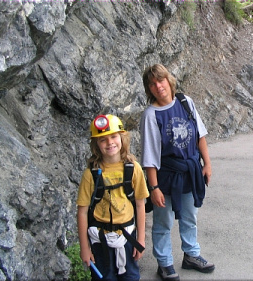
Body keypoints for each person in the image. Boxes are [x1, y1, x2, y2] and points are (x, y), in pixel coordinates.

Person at [139, 64, 215, 281]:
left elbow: (200, 135)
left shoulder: (185, 101)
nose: (158, 86)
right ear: (149, 89)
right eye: (152, 84)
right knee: (163, 221)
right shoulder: (151, 115)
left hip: (190, 171)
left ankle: (191, 255)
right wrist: (153, 188)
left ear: (168, 80)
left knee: (190, 216)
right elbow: (150, 156)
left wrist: (207, 164)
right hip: (166, 175)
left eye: (160, 80)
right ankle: (164, 263)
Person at [77, 114, 149, 281]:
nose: (110, 143)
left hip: (127, 238)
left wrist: (140, 240)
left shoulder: (133, 169)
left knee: (130, 277)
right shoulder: (91, 174)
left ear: (122, 138)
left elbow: (140, 205)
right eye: (103, 140)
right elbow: (82, 212)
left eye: (113, 137)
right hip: (99, 241)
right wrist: (84, 248)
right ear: (96, 144)